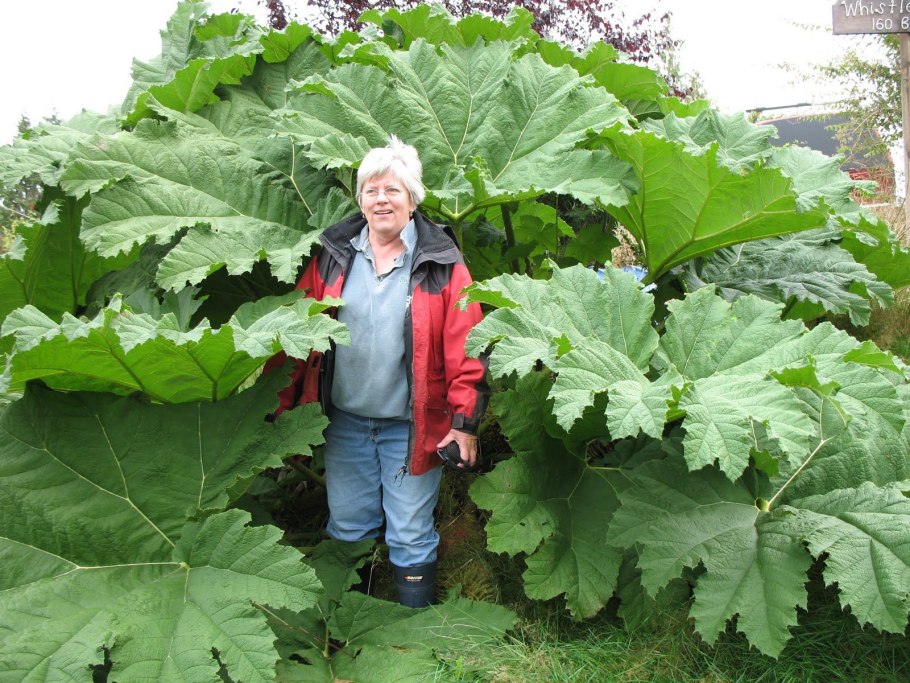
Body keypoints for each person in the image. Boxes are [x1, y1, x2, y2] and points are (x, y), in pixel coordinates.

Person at [269, 135, 489, 607]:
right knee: (348, 526)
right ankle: (350, 627)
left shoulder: (441, 264)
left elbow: (467, 350)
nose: (381, 199)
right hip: (344, 420)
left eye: (393, 189)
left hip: (413, 425)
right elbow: (298, 334)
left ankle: (412, 641)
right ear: (360, 198)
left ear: (413, 198)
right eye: (371, 189)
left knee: (410, 528)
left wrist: (464, 425)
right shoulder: (333, 254)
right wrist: (279, 406)